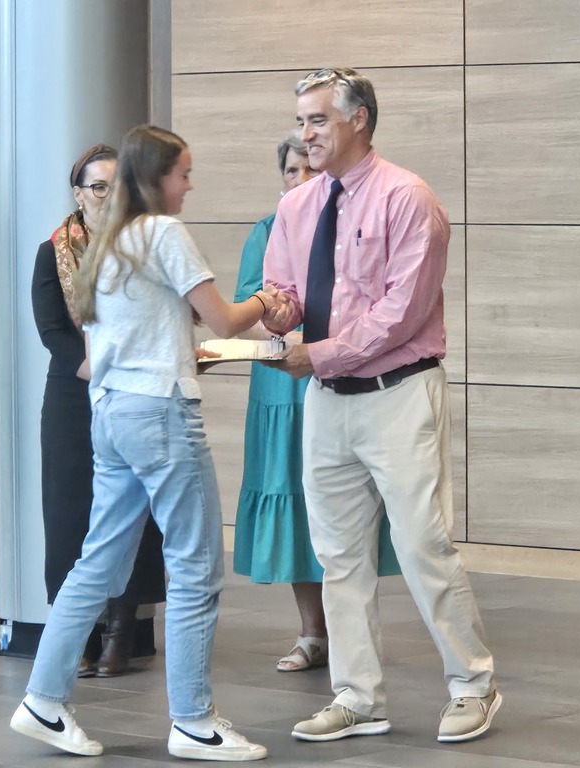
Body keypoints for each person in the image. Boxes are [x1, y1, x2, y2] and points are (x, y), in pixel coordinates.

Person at [10, 124, 290, 761]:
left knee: (98, 561)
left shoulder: (106, 239)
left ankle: (43, 701)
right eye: (184, 174)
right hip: (160, 415)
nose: (190, 185)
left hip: (111, 412)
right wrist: (268, 299)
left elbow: (153, 327)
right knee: (196, 565)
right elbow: (221, 316)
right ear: (157, 177)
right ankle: (193, 722)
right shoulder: (162, 232)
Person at [262, 68, 501, 744]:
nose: (305, 134)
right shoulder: (297, 206)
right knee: (338, 556)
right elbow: (281, 291)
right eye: (301, 121)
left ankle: (473, 685)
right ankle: (357, 696)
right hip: (326, 400)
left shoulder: (407, 197)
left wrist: (320, 353)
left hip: (398, 394)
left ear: (359, 119)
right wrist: (276, 316)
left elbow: (403, 312)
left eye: (317, 120)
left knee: (425, 543)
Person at [232, 131, 400, 673]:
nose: (300, 180)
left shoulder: (354, 224)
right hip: (283, 386)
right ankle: (312, 633)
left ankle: (352, 630)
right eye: (290, 171)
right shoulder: (266, 231)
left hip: (343, 374)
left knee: (346, 508)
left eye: (309, 169)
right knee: (292, 500)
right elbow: (247, 309)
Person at [31, 144, 165, 678]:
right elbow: (52, 332)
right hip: (73, 392)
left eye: (118, 185)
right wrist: (98, 370)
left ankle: (122, 632)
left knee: (133, 512)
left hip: (134, 390)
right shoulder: (54, 250)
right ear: (79, 192)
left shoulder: (144, 246)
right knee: (71, 512)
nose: (108, 196)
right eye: (98, 186)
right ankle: (80, 633)